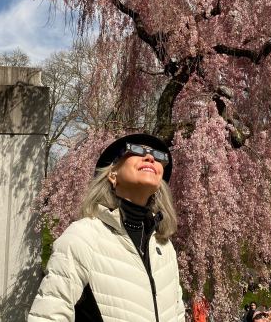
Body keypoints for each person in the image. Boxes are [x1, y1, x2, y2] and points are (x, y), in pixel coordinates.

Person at [28, 133, 184, 322]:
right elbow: (48, 315)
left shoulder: (164, 247)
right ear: (112, 174)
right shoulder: (84, 236)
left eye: (159, 157)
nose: (150, 157)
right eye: (136, 150)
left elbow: (177, 314)